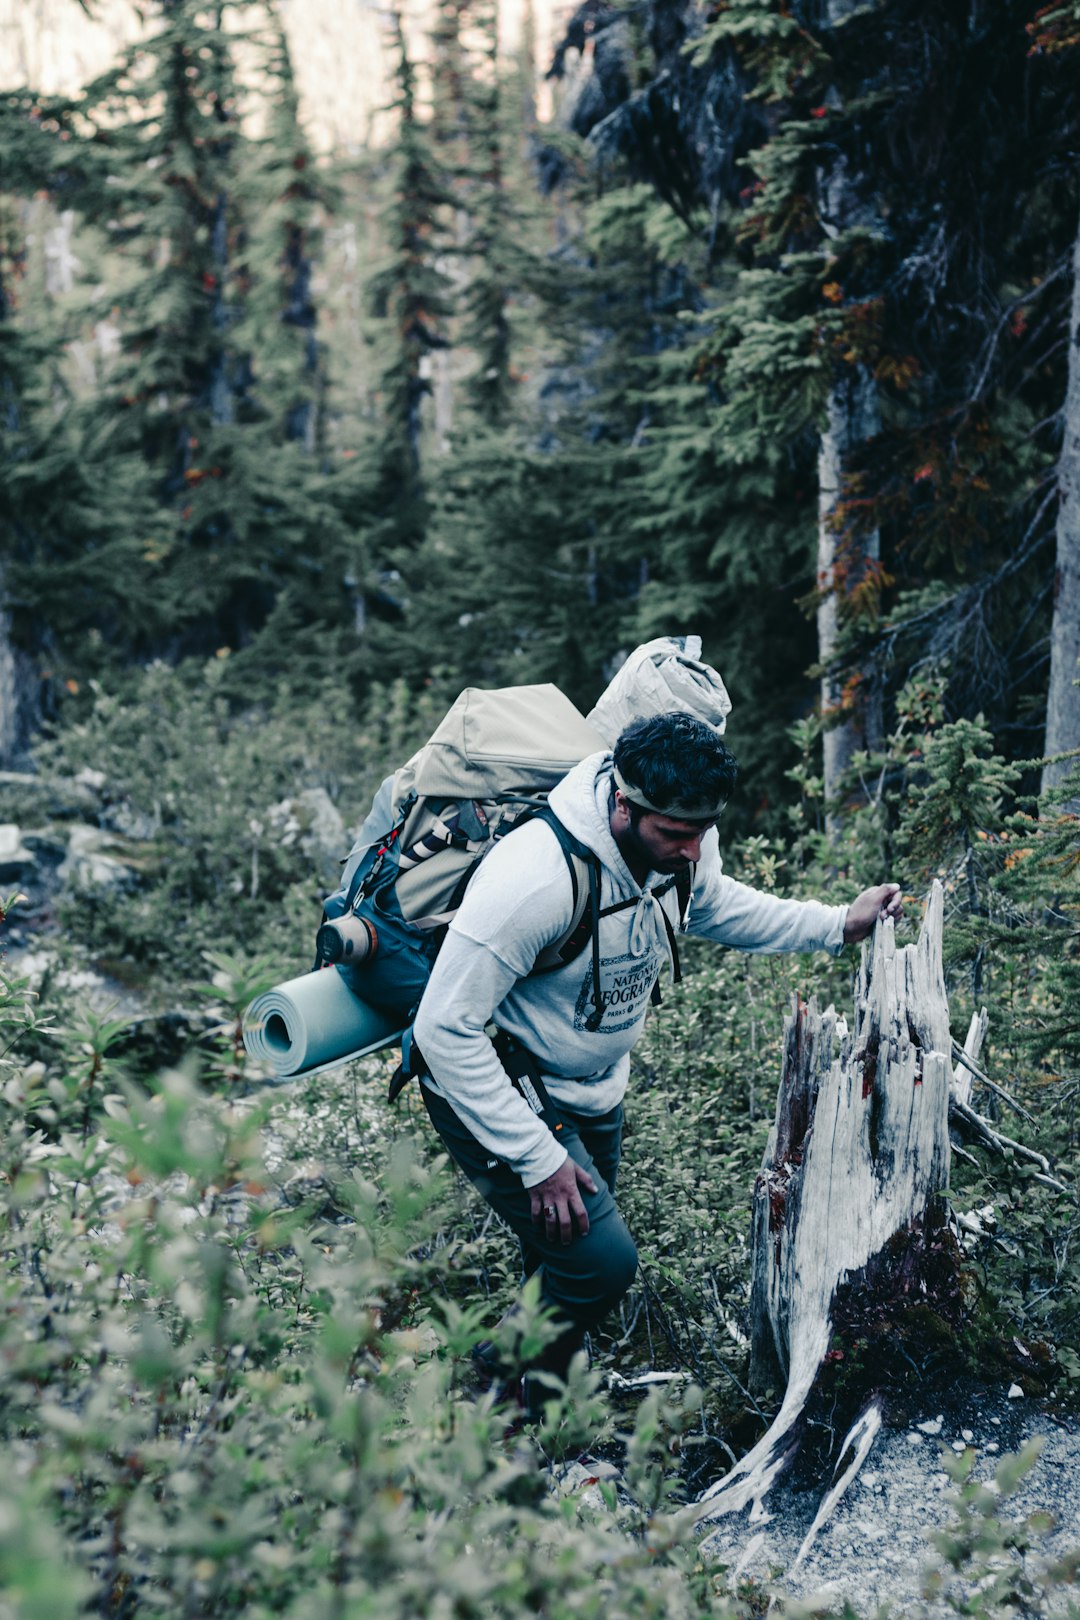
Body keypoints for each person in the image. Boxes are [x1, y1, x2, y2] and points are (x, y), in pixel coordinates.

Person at [413, 711, 902, 1404]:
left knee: (557, 1258)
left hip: (589, 1089)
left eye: (702, 834)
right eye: (677, 837)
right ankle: (493, 1374)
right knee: (599, 1264)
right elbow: (443, 1028)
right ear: (622, 803)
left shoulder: (676, 843)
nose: (694, 853)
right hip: (499, 1079)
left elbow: (718, 904)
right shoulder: (534, 881)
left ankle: (541, 1425)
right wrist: (538, 1156)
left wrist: (835, 924)